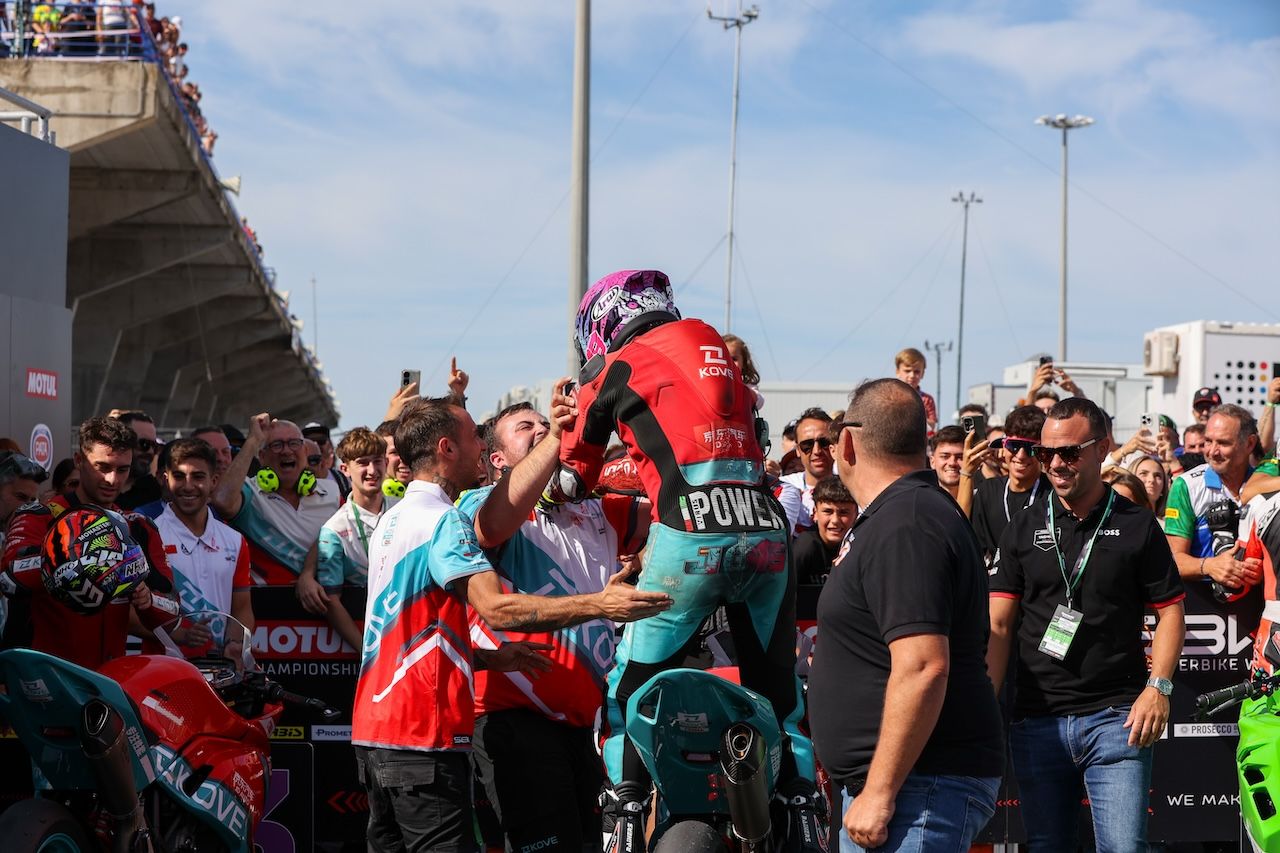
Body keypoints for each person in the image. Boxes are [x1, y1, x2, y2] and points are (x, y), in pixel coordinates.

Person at [554, 270, 820, 852]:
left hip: (691, 532)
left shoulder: (612, 366)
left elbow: (573, 478)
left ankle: (622, 807)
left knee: (628, 694)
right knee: (779, 693)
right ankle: (803, 805)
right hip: (765, 532)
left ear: (602, 324)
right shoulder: (720, 355)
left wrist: (562, 462)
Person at [353, 396, 670, 853]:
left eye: (547, 422)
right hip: (440, 732)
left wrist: (484, 656)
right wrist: (601, 604)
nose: (478, 449)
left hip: (381, 735)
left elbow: (409, 628)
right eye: (526, 427)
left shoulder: (394, 517)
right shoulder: (458, 515)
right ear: (462, 451)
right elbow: (495, 608)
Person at [808, 378, 1004, 852]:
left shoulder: (908, 521)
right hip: (907, 788)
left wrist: (878, 791)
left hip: (918, 791)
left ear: (848, 442)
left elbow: (922, 665)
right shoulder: (902, 514)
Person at [987, 396, 1185, 851]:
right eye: (1046, 453)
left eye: (1069, 452)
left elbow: (1171, 611)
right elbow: (998, 627)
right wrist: (985, 703)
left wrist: (1159, 688)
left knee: (1123, 848)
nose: (1056, 463)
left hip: (1117, 719)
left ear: (1102, 448)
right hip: (1037, 719)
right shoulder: (1022, 527)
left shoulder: (1137, 525)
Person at [461, 398, 650, 853]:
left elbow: (672, 517)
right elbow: (490, 526)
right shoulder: (481, 502)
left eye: (546, 424)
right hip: (512, 719)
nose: (543, 429)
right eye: (527, 427)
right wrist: (558, 436)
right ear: (497, 460)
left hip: (583, 726)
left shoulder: (597, 511)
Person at [1, 417, 177, 667]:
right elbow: (9, 577)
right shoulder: (40, 515)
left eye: (122, 469)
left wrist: (147, 599)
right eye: (102, 467)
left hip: (109, 683)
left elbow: (173, 612)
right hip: (48, 679)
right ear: (79, 461)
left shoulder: (138, 526)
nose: (112, 480)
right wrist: (79, 561)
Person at [295, 427, 394, 652]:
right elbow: (332, 602)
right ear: (345, 469)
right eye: (362, 462)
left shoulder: (404, 508)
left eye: (377, 461)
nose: (372, 470)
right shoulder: (335, 529)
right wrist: (367, 652)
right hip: (372, 634)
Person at [210, 414, 340, 584]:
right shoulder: (250, 491)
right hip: (269, 604)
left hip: (325, 602)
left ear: (306, 452)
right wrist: (252, 441)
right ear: (262, 457)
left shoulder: (332, 491)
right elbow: (221, 501)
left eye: (294, 443)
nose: (286, 451)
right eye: (276, 445)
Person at [1165, 405, 1263, 624]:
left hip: (1257, 616)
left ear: (1249, 444)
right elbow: (1172, 560)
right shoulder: (1186, 485)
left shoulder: (1266, 485)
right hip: (1201, 617)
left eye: (1224, 443)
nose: (1212, 451)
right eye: (1209, 441)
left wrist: (1260, 570)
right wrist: (1209, 565)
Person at [153, 438, 253, 639]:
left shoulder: (235, 540)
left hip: (221, 667)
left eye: (198, 477)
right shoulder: (149, 533)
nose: (188, 486)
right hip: (164, 664)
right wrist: (179, 634)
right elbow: (132, 613)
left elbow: (242, 609)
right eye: (179, 476)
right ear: (166, 479)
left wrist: (235, 645)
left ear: (214, 481)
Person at [968, 405, 1049, 565]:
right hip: (996, 584)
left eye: (1030, 449)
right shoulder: (987, 491)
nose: (1020, 456)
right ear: (1004, 446)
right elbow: (975, 548)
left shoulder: (1053, 493)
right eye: (1014, 446)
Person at [791, 476, 855, 585]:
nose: (835, 520)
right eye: (828, 511)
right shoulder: (806, 546)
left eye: (844, 512)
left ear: (855, 515)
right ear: (815, 513)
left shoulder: (859, 545)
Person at [780, 407, 836, 532]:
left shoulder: (852, 487)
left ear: (834, 444)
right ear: (798, 450)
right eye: (807, 445)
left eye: (824, 442)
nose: (817, 451)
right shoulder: (783, 487)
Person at [115, 410, 163, 510]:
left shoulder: (157, 493)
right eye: (144, 444)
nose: (150, 451)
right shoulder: (94, 488)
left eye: (154, 446)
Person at [894, 347, 937, 433]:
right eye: (907, 371)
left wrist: (914, 418)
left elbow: (932, 423)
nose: (912, 375)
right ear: (898, 372)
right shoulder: (890, 396)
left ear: (922, 373)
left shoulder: (927, 399)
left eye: (916, 371)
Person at [928, 425, 966, 500]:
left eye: (960, 457)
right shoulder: (922, 500)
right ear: (932, 462)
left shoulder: (983, 501)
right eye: (945, 456)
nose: (952, 463)